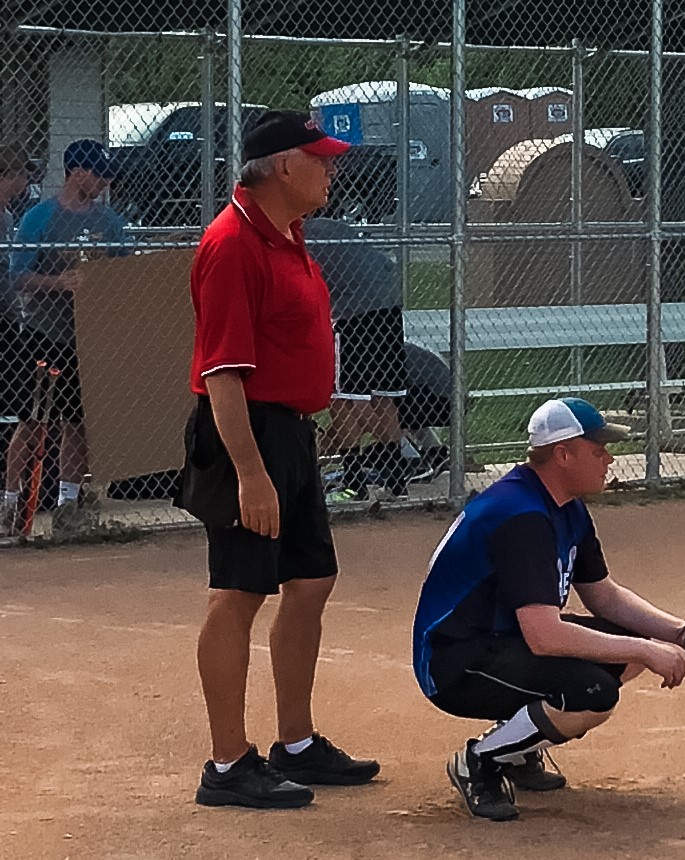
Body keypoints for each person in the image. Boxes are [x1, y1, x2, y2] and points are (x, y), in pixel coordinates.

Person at [177, 111, 379, 809]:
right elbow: (223, 374)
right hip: (247, 435)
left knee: (312, 578)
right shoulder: (231, 243)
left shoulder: (288, 237)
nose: (332, 171)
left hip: (289, 431)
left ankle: (295, 742)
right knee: (239, 593)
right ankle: (228, 764)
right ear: (283, 167)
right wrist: (250, 473)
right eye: (322, 160)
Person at [412, 397, 685, 822]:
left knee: (627, 649)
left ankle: (518, 744)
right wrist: (645, 652)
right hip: (455, 661)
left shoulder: (564, 506)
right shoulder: (521, 515)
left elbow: (605, 596)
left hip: (501, 643)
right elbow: (544, 636)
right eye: (597, 449)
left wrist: (681, 634)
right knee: (593, 693)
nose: (608, 458)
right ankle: (481, 762)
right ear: (563, 454)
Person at [2, 139, 128, 535]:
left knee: (78, 423)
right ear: (76, 173)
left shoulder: (110, 222)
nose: (105, 183)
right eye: (98, 175)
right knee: (35, 420)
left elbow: (125, 273)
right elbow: (16, 277)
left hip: (87, 338)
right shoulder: (39, 218)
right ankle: (8, 502)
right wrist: (59, 282)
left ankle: (67, 504)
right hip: (43, 333)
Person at [301, 216, 415, 502]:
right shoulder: (332, 227)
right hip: (388, 311)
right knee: (382, 397)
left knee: (343, 399)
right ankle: (396, 482)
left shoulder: (298, 236)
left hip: (353, 316)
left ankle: (353, 484)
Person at [0, 143, 35, 535]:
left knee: (15, 404)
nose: (24, 183)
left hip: (9, 319)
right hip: (6, 315)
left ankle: (10, 504)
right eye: (20, 176)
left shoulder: (9, 216)